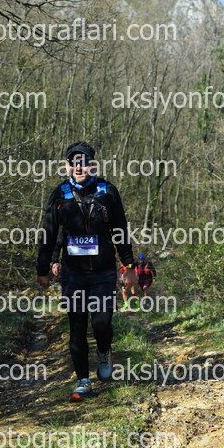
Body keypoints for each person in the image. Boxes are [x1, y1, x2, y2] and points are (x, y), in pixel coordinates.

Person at [37, 141, 135, 402]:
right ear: (67, 166)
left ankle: (103, 352)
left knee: (102, 324)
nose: (79, 167)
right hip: (73, 274)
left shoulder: (107, 191)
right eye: (74, 163)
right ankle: (82, 381)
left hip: (103, 271)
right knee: (77, 328)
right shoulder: (59, 194)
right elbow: (49, 233)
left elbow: (121, 230)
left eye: (84, 162)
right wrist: (43, 267)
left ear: (93, 165)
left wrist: (129, 266)